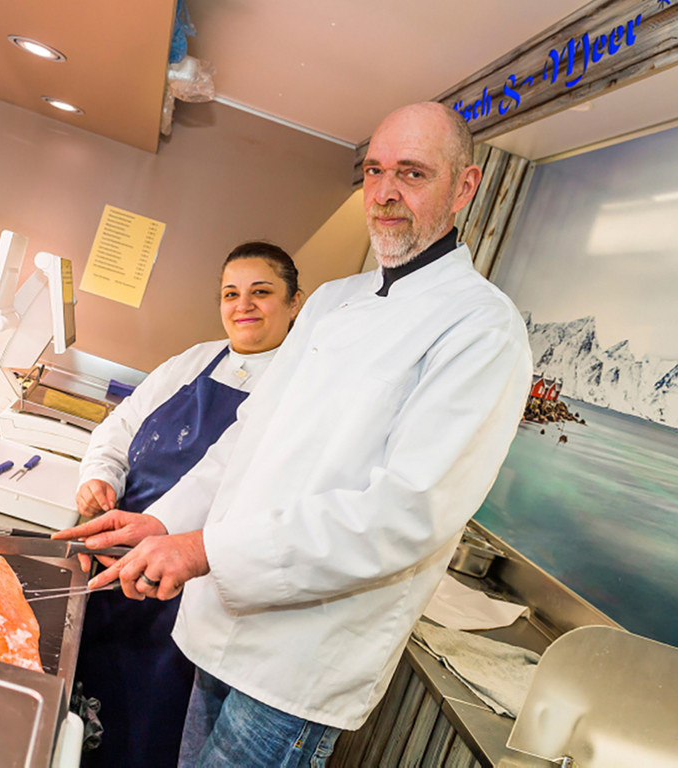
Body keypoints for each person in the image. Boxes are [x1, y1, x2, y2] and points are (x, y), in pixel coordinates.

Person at [56, 102, 533, 768]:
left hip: (298, 667)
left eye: (414, 174)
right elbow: (247, 442)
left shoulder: (482, 330)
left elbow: (401, 516)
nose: (385, 192)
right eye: (374, 170)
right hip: (219, 623)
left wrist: (204, 549)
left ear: (464, 187)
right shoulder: (335, 302)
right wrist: (163, 524)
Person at [73, 241, 302, 768]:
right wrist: (100, 477)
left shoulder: (294, 389)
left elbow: (222, 481)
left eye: (261, 292)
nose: (243, 305)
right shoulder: (193, 360)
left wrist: (161, 533)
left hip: (186, 588)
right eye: (231, 293)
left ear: (294, 302)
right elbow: (121, 427)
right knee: (82, 704)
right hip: (115, 563)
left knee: (146, 727)